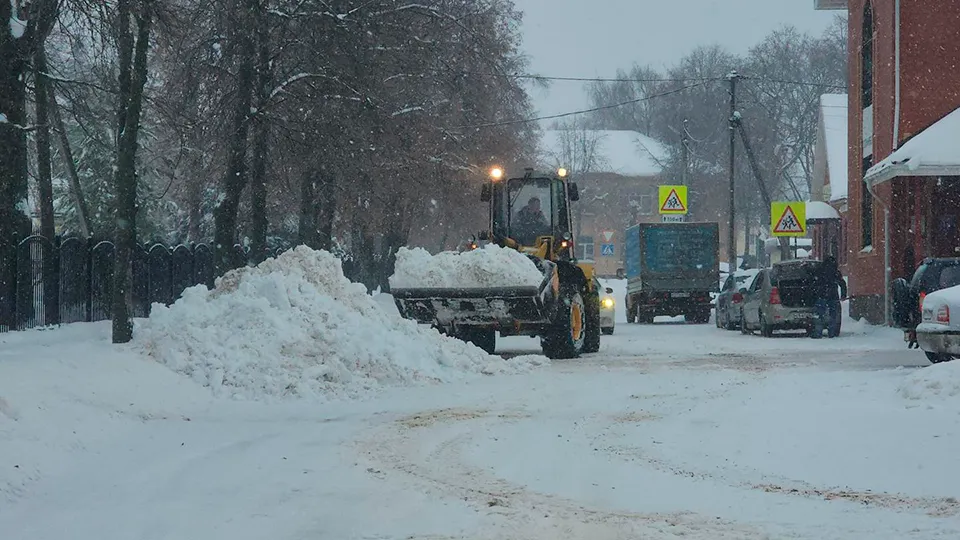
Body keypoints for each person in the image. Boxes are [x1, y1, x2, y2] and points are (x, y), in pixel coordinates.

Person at [812, 256, 847, 339]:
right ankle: (832, 333)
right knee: (833, 315)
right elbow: (842, 284)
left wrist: (805, 267)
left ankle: (818, 333)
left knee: (819, 315)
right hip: (833, 296)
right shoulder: (836, 272)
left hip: (822, 295)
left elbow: (812, 274)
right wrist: (843, 295)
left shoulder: (820, 270)